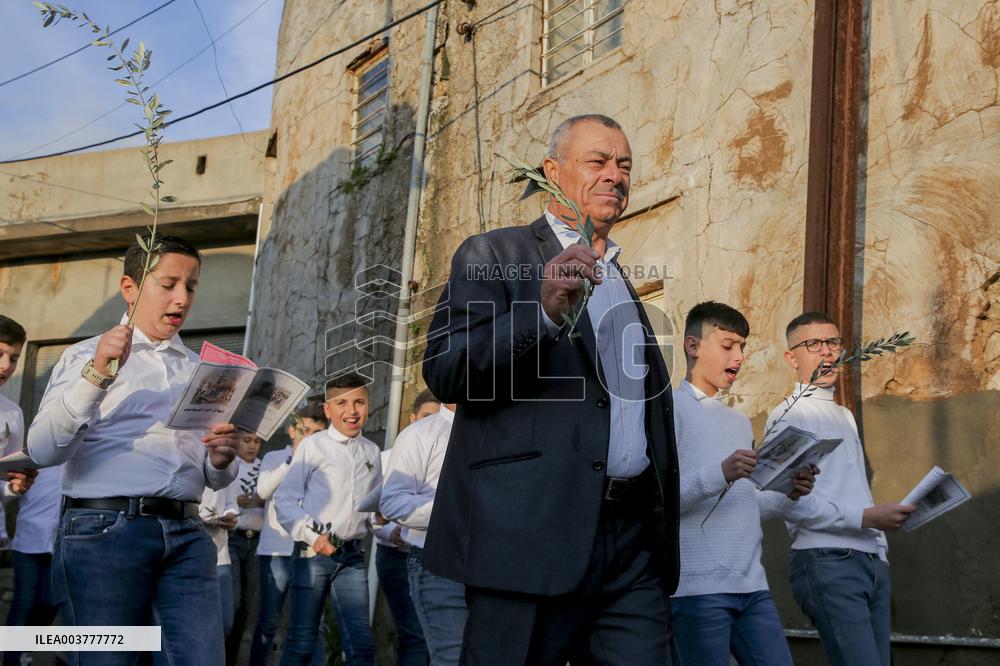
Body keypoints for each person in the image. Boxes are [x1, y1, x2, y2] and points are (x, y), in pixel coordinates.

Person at [421, 114, 679, 665]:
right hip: (525, 536)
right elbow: (447, 372)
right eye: (597, 161)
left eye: (624, 165)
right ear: (552, 172)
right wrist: (540, 312)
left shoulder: (621, 279)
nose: (615, 175)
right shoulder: (494, 255)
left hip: (631, 546)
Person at [27, 235, 240, 666]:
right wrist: (96, 374)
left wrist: (220, 460)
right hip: (106, 533)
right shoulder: (86, 355)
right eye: (168, 284)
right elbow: (43, 449)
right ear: (130, 287)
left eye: (191, 286)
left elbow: (211, 474)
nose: (182, 298)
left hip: (188, 533)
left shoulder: (199, 369)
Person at [761, 311, 917, 666]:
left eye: (833, 342)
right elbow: (786, 500)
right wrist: (867, 517)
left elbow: (852, 488)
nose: (827, 352)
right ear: (791, 358)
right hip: (827, 559)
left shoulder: (844, 415)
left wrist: (879, 549)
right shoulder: (789, 416)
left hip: (870, 561)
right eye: (813, 344)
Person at [670, 302, 814, 665]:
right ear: (693, 346)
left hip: (752, 586)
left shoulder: (739, 423)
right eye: (728, 345)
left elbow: (745, 504)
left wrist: (788, 493)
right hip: (697, 590)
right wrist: (721, 472)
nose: (739, 356)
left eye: (742, 346)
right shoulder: (669, 409)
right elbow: (659, 502)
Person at [274, 373, 381, 666]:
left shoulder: (372, 451)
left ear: (368, 405)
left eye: (359, 402)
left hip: (352, 556)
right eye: (342, 403)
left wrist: (383, 522)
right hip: (313, 554)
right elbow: (285, 499)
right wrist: (312, 536)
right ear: (328, 409)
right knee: (302, 642)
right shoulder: (313, 446)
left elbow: (373, 509)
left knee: (361, 645)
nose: (352, 410)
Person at [381, 400, 464, 666]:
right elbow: (391, 501)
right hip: (438, 563)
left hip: (495, 566)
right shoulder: (420, 434)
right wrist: (452, 509)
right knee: (449, 657)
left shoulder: (501, 430)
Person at [249, 404, 329, 666]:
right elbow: (262, 491)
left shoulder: (325, 461)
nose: (310, 437)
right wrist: (291, 460)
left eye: (317, 433)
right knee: (269, 620)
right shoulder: (275, 457)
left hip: (310, 551)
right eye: (305, 431)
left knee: (313, 622)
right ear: (292, 431)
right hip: (276, 550)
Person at [1, 314, 48, 666]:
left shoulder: (13, 414)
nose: (6, 365)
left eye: (14, 358)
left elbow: (7, 481)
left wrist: (16, 487)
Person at [226, 431, 265, 666]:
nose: (252, 446)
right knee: (233, 603)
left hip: (256, 541)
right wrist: (235, 503)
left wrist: (262, 499)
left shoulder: (265, 467)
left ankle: (231, 659)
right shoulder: (229, 464)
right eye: (247, 440)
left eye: (257, 442)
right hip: (233, 537)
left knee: (247, 608)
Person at [200, 486, 239, 637]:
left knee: (225, 622)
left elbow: (231, 503)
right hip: (186, 551)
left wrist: (230, 515)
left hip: (220, 553)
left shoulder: (228, 470)